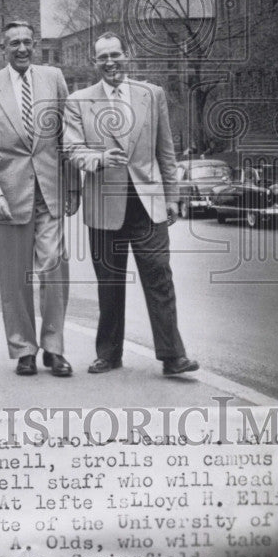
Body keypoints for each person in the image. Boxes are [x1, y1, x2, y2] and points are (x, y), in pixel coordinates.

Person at [64, 31, 198, 377]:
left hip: (147, 204)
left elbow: (165, 151)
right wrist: (99, 157)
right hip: (103, 205)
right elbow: (72, 149)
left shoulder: (151, 95)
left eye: (115, 55)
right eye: (102, 57)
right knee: (109, 283)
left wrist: (172, 197)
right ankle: (109, 354)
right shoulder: (79, 100)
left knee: (159, 277)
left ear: (128, 55)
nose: (110, 62)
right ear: (95, 63)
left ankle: (173, 357)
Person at [0, 21, 80, 376]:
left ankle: (54, 348)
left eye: (27, 43)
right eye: (14, 43)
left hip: (50, 190)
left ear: (36, 45)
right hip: (9, 196)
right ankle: (23, 349)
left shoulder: (54, 79)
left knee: (53, 269)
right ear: (2, 48)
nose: (21, 49)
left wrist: (73, 187)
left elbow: (68, 137)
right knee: (15, 278)